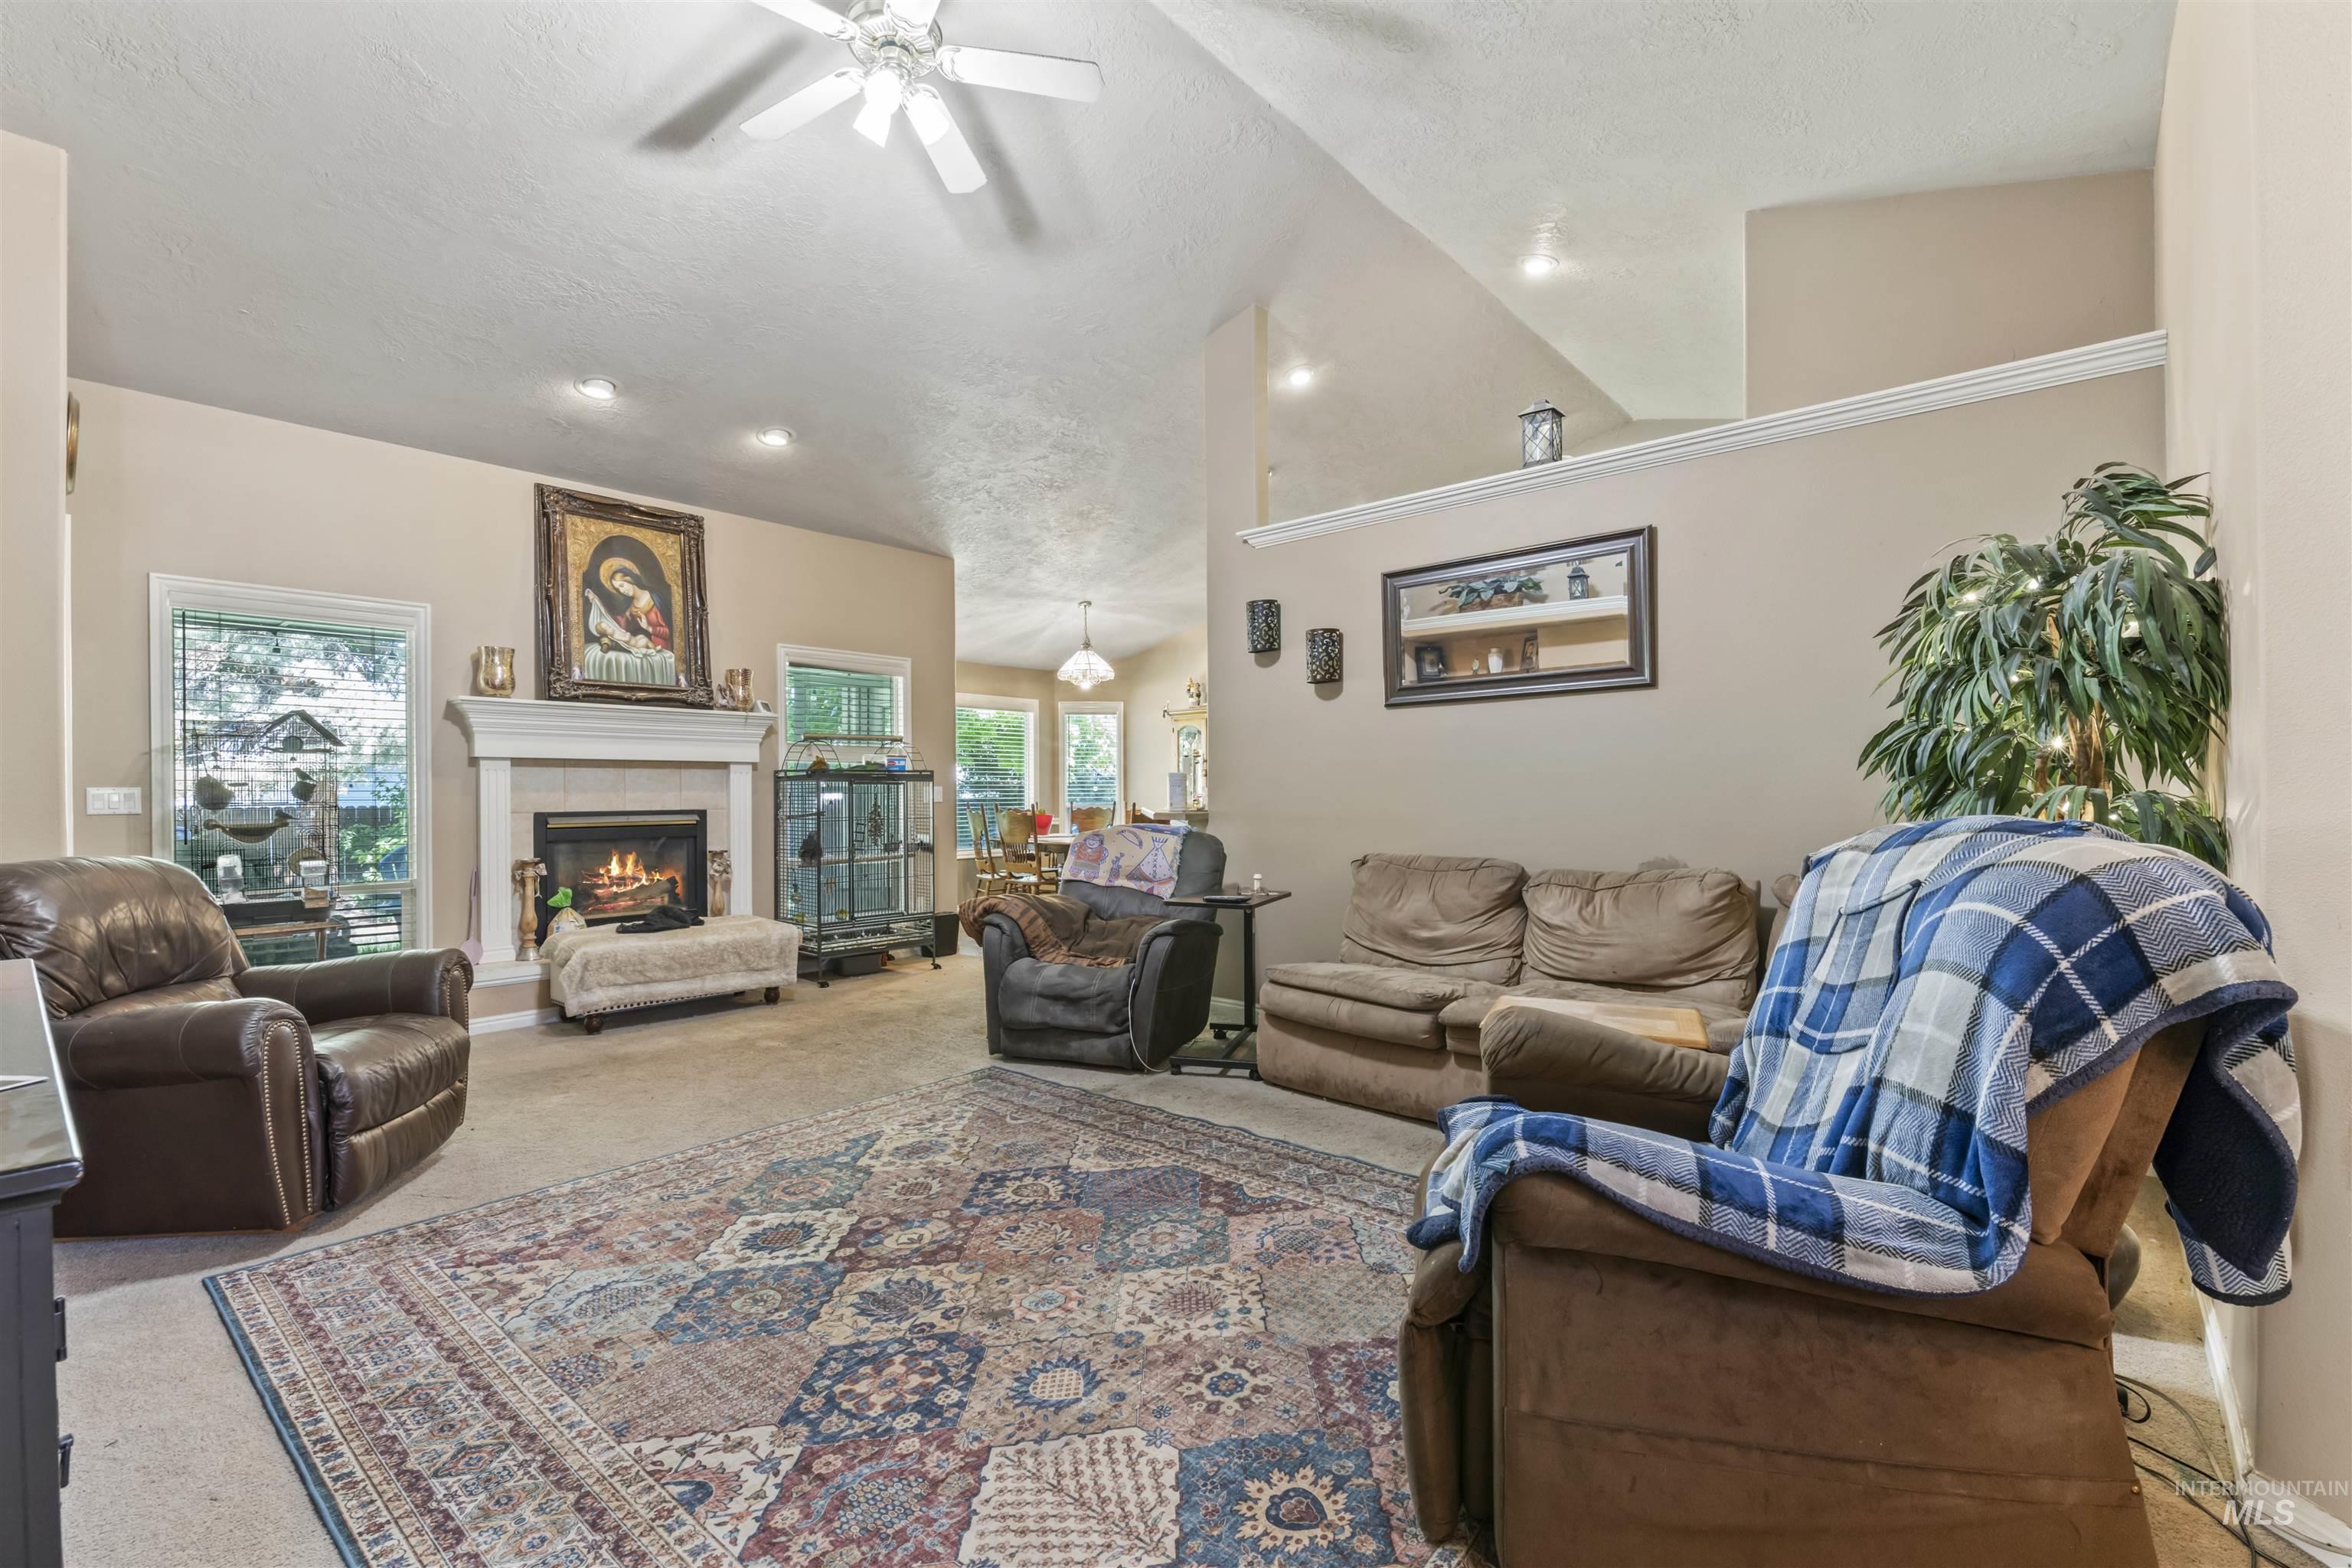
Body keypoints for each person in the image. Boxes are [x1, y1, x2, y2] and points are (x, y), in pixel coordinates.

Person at [587, 557, 671, 654]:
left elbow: (672, 632)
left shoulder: (655, 598)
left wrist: (649, 628)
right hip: (645, 648)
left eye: (622, 585)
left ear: (630, 579)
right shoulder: (631, 607)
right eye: (618, 589)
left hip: (663, 648)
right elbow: (618, 624)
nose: (622, 591)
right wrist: (597, 602)